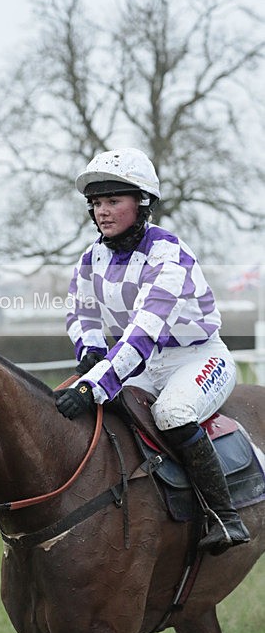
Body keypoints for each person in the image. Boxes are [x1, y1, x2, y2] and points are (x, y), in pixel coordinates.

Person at [54, 147, 250, 555]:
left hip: (197, 357)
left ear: (142, 203)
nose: (102, 211)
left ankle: (224, 516)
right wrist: (90, 348)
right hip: (141, 360)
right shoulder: (91, 257)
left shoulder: (168, 254)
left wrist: (95, 384)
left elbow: (143, 333)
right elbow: (80, 309)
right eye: (96, 203)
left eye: (113, 201)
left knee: (172, 414)